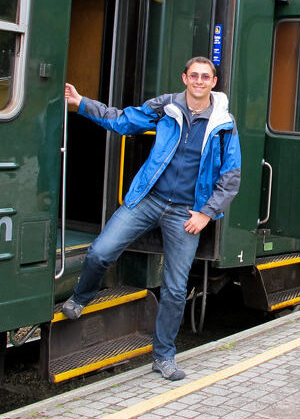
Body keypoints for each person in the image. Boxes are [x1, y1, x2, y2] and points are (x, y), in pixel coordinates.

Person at [61, 56, 241, 381]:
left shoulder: (224, 124)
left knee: (174, 288)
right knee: (100, 252)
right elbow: (122, 120)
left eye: (206, 77)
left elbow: (231, 176)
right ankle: (81, 296)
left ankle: (163, 357)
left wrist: (206, 213)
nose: (199, 81)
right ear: (184, 78)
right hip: (148, 198)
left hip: (186, 212)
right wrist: (81, 103)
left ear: (213, 83)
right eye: (194, 76)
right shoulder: (166, 108)